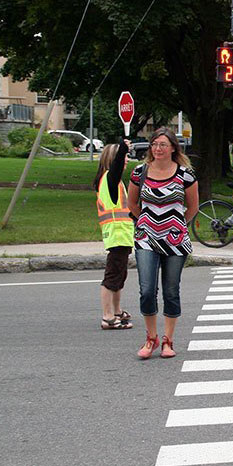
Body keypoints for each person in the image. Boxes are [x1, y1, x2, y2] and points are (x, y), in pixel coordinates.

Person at [127, 127, 199, 360]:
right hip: (146, 237)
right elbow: (132, 204)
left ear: (172, 149)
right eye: (154, 144)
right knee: (147, 290)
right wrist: (146, 223)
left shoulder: (185, 175)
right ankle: (151, 337)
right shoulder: (140, 172)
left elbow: (193, 207)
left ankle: (168, 340)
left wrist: (177, 226)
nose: (158, 149)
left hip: (175, 240)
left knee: (171, 290)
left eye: (163, 145)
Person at [94, 139, 134, 330]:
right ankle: (108, 316)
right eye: (124, 157)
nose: (126, 160)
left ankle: (116, 311)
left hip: (122, 236)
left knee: (119, 277)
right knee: (112, 278)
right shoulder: (111, 178)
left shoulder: (113, 182)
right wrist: (123, 146)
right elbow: (117, 165)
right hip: (117, 236)